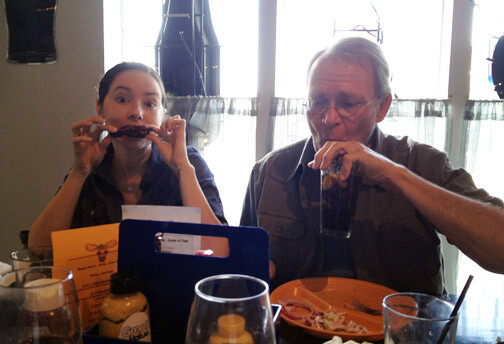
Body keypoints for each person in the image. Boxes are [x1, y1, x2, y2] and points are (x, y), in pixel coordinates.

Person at [240, 37, 504, 294]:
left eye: (348, 104)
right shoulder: (270, 172)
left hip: (396, 336)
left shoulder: (420, 163)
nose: (329, 118)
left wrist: (394, 175)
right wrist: (250, 270)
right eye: (318, 102)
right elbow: (241, 275)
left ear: (382, 107)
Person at [29, 62, 226, 253]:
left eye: (149, 103)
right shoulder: (89, 170)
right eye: (122, 100)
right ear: (99, 108)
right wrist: (78, 173)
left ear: (163, 114)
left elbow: (220, 249)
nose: (136, 113)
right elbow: (39, 250)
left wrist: (182, 169)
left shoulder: (188, 163)